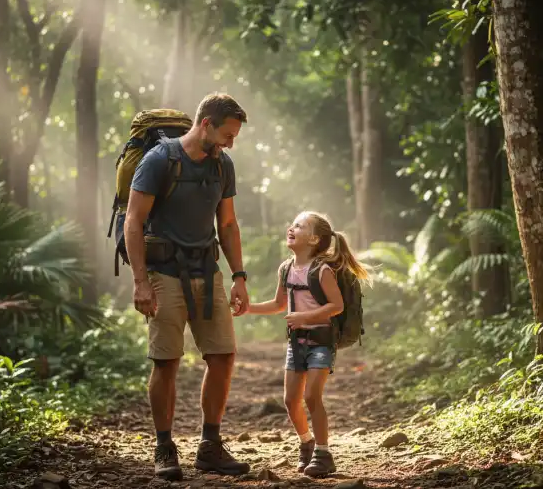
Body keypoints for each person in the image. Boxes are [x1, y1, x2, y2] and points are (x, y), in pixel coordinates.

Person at [122, 92, 251, 481]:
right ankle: (164, 447)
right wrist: (140, 282)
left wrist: (239, 276)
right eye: (227, 135)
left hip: (207, 271)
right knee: (167, 361)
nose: (231, 143)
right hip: (163, 272)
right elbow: (133, 221)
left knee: (223, 355)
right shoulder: (159, 160)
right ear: (206, 124)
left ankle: (210, 446)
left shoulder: (223, 165)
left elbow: (227, 224)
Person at [245, 211, 370, 478]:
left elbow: (336, 306)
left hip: (321, 342)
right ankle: (306, 442)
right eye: (292, 224)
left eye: (299, 226)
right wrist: (248, 308)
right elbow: (278, 304)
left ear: (313, 239)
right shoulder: (286, 269)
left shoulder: (322, 270)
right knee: (290, 400)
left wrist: (304, 317)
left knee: (312, 396)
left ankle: (323, 454)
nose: (292, 228)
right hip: (296, 343)